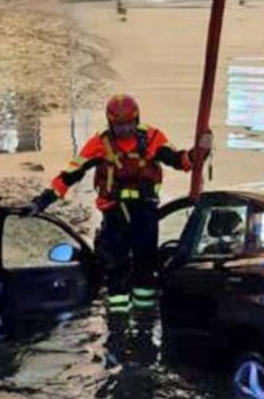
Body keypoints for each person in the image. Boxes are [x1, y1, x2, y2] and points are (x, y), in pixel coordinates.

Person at [26, 94, 211, 314]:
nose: (124, 129)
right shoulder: (99, 144)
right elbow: (70, 174)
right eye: (119, 125)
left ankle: (143, 314)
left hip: (144, 210)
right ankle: (118, 313)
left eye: (128, 124)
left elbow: (178, 160)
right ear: (110, 123)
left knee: (146, 262)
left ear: (136, 120)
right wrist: (42, 201)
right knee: (115, 263)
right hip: (114, 211)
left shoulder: (152, 138)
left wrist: (197, 153)